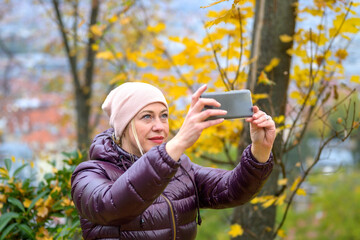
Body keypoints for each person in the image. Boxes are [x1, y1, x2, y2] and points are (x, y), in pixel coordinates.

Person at [71, 82, 276, 240]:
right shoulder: (90, 174)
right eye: (147, 117)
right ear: (123, 125)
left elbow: (232, 190)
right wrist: (177, 144)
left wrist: (260, 149)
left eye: (164, 116)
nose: (160, 126)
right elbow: (111, 207)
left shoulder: (179, 168)